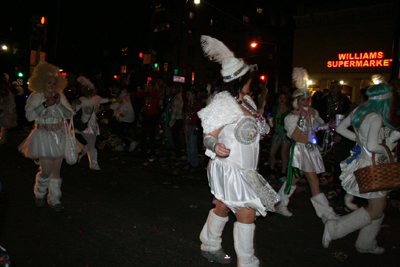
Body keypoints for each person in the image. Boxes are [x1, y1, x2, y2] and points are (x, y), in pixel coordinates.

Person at [198, 35, 278, 267]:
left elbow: (258, 129)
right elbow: (208, 136)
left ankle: (209, 243)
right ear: (242, 79)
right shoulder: (224, 102)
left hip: (245, 168)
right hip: (229, 167)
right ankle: (247, 262)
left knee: (223, 205)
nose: (252, 82)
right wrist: (215, 146)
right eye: (249, 78)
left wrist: (263, 121)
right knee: (246, 212)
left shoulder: (248, 101)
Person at [323, 82, 400, 254]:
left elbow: (341, 128)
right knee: (376, 210)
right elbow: (373, 146)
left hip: (363, 162)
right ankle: (335, 229)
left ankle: (365, 243)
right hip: (374, 166)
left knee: (377, 208)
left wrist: (360, 141)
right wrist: (387, 147)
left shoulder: (360, 110)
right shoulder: (376, 116)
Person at [274, 68, 337, 224]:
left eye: (307, 99)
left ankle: (280, 203)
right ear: (296, 102)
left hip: (311, 149)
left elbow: (316, 128)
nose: (306, 102)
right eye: (302, 100)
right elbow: (293, 136)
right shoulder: (291, 117)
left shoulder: (313, 113)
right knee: (313, 180)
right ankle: (326, 213)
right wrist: (301, 120)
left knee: (294, 179)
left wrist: (328, 126)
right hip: (300, 150)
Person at [18, 62, 75, 211]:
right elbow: (29, 117)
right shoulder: (35, 97)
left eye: (54, 83)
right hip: (42, 137)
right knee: (46, 171)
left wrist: (59, 104)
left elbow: (70, 114)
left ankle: (54, 199)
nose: (52, 86)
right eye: (49, 82)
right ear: (42, 82)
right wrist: (44, 105)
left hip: (59, 136)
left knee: (56, 172)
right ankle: (40, 193)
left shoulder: (60, 96)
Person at [73, 76, 112, 170]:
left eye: (95, 89)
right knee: (91, 144)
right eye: (93, 89)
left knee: (90, 144)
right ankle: (94, 164)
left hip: (93, 125)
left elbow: (105, 100)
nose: (95, 91)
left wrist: (115, 100)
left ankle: (80, 155)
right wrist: (74, 104)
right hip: (85, 125)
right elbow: (73, 111)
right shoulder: (82, 100)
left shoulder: (97, 99)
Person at [131, 80, 161, 157]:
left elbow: (152, 93)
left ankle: (152, 149)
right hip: (146, 114)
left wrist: (148, 90)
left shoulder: (156, 93)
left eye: (149, 85)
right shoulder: (148, 93)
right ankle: (143, 148)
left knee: (151, 133)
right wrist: (131, 93)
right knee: (143, 132)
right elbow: (140, 94)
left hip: (152, 115)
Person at [268, 92, 292, 178]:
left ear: (286, 100)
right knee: (272, 153)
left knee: (283, 153)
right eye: (280, 97)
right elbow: (271, 119)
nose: (282, 99)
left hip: (285, 133)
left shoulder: (289, 110)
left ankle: (283, 172)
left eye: (284, 98)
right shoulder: (275, 108)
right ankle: (271, 168)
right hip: (277, 133)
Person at [109, 80, 135, 152]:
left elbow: (118, 104)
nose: (113, 89)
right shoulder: (119, 95)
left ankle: (132, 142)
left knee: (123, 132)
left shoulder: (123, 95)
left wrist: (109, 107)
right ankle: (120, 145)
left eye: (114, 88)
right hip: (121, 117)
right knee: (117, 129)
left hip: (127, 117)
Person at [184, 87, 202, 170]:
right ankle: (190, 160)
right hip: (188, 125)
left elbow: (199, 116)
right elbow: (186, 114)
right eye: (187, 94)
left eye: (189, 94)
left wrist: (197, 127)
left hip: (194, 125)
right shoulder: (188, 103)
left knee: (193, 144)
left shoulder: (197, 104)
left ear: (193, 95)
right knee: (188, 144)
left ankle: (194, 163)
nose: (187, 96)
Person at [0, 78, 17, 146]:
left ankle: (2, 140)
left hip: (6, 111)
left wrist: (12, 110)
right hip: (3, 110)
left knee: (4, 126)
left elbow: (11, 102)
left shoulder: (8, 93)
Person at [169, 83, 184, 159]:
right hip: (179, 120)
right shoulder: (179, 97)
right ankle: (178, 153)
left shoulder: (177, 98)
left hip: (177, 120)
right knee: (176, 137)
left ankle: (178, 154)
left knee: (175, 137)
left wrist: (171, 123)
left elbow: (175, 112)